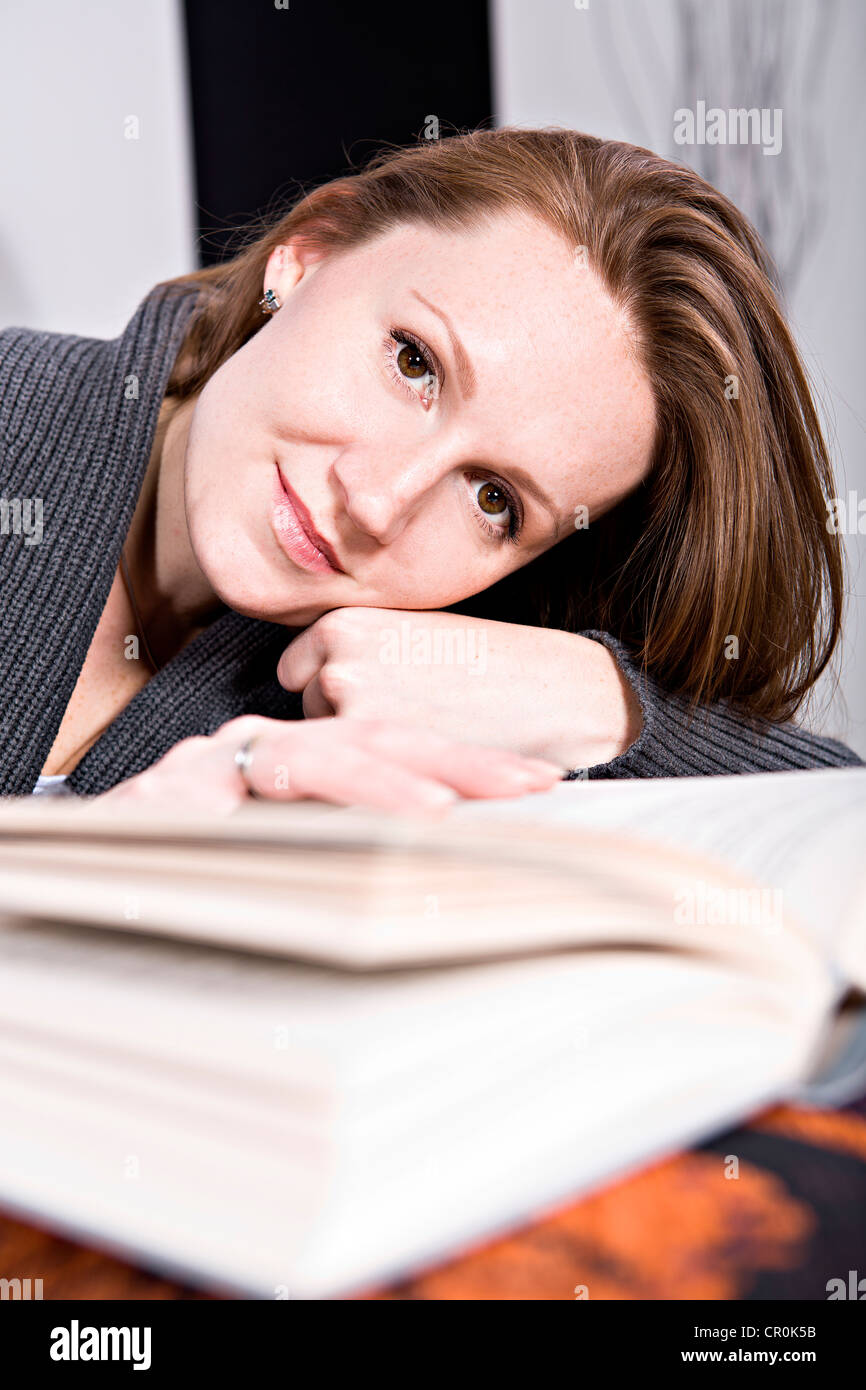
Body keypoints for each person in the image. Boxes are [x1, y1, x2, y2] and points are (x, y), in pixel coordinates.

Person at [0, 128, 859, 813]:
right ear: (307, 255)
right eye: (414, 363)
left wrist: (600, 705)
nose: (378, 502)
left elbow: (831, 798)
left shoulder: (404, 685)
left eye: (495, 501)